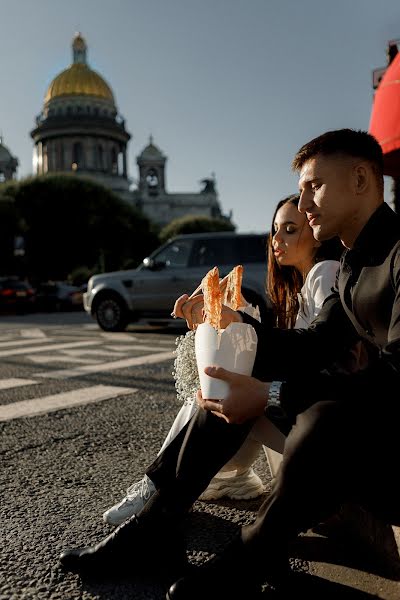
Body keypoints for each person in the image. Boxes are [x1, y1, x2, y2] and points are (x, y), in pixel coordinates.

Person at [59, 128, 398, 600]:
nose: (303, 204)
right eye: (300, 190)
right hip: (362, 433)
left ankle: (249, 555)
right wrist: (234, 322)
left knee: (323, 416)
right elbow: (313, 345)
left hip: (387, 449)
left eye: (313, 186)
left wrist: (273, 395)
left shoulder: (397, 253)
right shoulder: (355, 263)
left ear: (361, 179)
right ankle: (156, 526)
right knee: (229, 385)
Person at [102, 193, 343, 525]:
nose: (277, 240)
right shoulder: (295, 290)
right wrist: (237, 315)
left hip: (317, 426)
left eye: (290, 229)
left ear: (317, 236)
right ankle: (226, 478)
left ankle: (157, 489)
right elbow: (282, 348)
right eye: (275, 230)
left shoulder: (325, 272)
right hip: (298, 420)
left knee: (224, 385)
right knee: (221, 386)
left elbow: (310, 351)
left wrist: (240, 324)